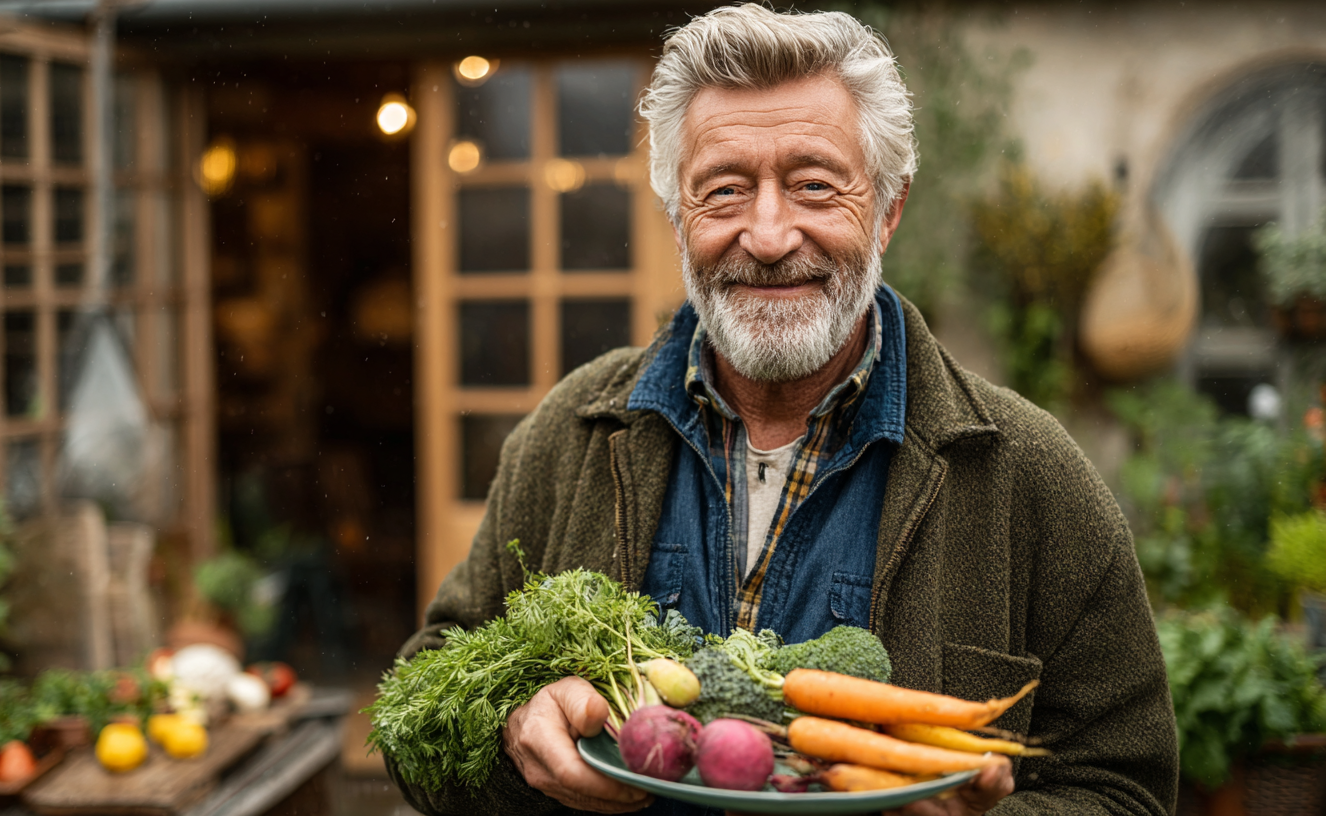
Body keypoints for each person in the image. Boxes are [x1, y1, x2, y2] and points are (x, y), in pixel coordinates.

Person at [388, 5, 1177, 815]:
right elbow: (418, 716)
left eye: (813, 185)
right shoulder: (568, 438)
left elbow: (1127, 788)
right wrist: (517, 738)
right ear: (676, 216)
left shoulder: (1027, 474)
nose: (767, 236)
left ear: (888, 209)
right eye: (724, 190)